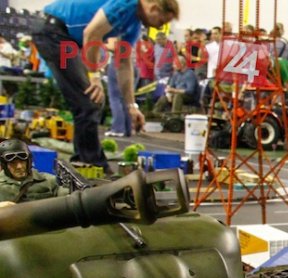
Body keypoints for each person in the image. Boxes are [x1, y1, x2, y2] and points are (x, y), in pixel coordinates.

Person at [33, 0, 179, 172]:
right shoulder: (126, 3)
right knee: (89, 101)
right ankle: (91, 164)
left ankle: (85, 162)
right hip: (53, 32)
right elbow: (91, 33)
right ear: (154, 8)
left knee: (90, 101)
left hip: (67, 37)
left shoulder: (133, 24)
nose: (159, 27)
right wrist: (94, 77)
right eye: (161, 21)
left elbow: (123, 63)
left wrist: (131, 106)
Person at [0, 140, 68, 204]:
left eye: (22, 161)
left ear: (28, 162)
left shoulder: (49, 181)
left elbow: (67, 200)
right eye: (13, 163)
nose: (19, 166)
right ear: (5, 165)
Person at [105, 38, 131, 137]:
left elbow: (113, 47)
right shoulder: (130, 34)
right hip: (129, 63)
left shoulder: (116, 32)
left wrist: (101, 44)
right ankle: (127, 128)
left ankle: (118, 128)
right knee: (125, 98)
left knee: (114, 98)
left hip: (117, 61)